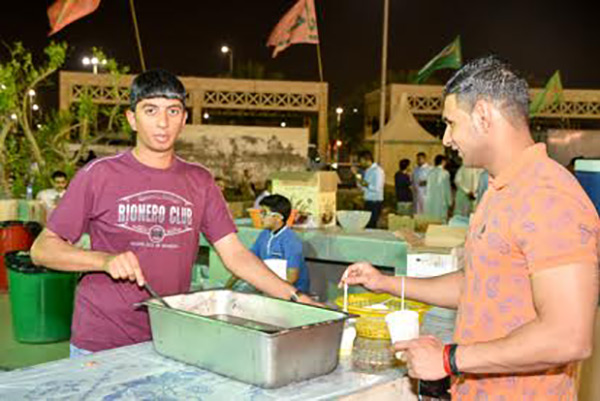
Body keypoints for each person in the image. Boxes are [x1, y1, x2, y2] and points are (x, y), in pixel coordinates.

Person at [341, 56, 599, 400]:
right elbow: (476, 284)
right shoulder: (500, 190)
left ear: (482, 115)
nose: (447, 139)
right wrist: (386, 283)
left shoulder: (549, 196)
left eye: (451, 123)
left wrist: (448, 359)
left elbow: (567, 337)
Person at [30, 69, 314, 356]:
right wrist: (104, 260)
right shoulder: (98, 175)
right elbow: (42, 249)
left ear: (184, 119)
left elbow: (235, 255)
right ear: (132, 119)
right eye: (150, 110)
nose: (163, 122)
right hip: (101, 341)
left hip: (169, 337)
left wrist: (296, 298)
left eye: (173, 111)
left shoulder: (200, 181)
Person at [250, 194, 309, 293]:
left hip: (291, 293)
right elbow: (249, 260)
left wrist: (268, 291)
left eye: (264, 213)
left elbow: (292, 277)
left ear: (278, 217)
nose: (260, 217)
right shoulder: (264, 235)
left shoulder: (290, 240)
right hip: (270, 287)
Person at [354, 150, 384, 228]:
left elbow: (377, 188)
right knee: (367, 226)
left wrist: (364, 184)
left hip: (375, 203)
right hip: (368, 202)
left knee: (371, 226)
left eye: (361, 161)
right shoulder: (367, 171)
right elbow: (363, 187)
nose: (360, 163)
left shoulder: (378, 171)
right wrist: (358, 178)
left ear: (366, 159)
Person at [424, 155, 451, 222]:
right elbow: (447, 188)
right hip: (441, 200)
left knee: (432, 219)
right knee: (441, 219)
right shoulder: (445, 173)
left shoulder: (430, 172)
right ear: (443, 162)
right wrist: (449, 201)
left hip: (431, 200)